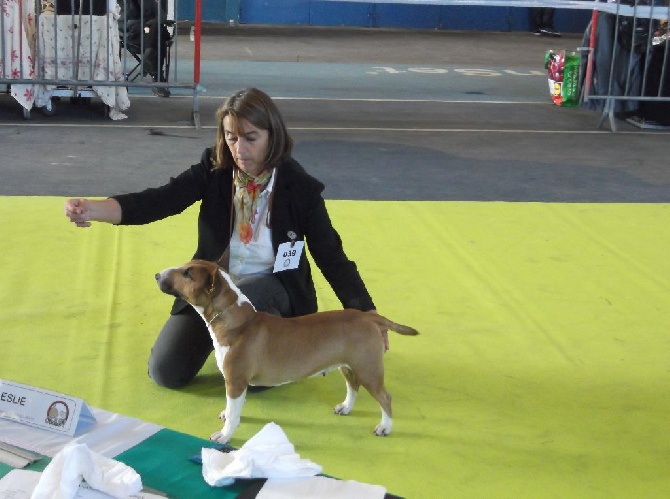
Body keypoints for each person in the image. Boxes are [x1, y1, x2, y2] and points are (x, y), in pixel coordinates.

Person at [64, 87, 386, 389]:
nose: (239, 150)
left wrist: (365, 311)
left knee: (255, 378)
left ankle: (273, 351)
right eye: (231, 138)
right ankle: (230, 345)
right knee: (166, 373)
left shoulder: (299, 187)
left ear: (273, 136)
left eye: (251, 138)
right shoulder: (215, 169)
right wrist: (94, 209)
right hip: (215, 288)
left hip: (273, 288)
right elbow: (161, 200)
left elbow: (331, 254)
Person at [119, 0, 171, 97]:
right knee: (157, 36)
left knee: (156, 32)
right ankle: (158, 80)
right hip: (134, 36)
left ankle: (147, 57)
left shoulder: (150, 2)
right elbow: (124, 23)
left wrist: (149, 23)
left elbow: (162, 17)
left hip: (150, 35)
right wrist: (146, 23)